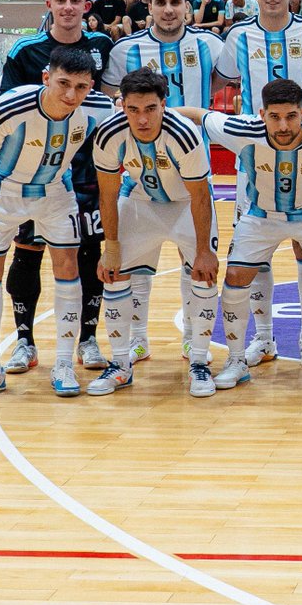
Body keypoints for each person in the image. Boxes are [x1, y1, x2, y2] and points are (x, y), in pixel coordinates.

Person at [177, 79, 302, 393]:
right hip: (261, 214)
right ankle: (236, 361)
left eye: (291, 116)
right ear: (262, 114)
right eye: (275, 116)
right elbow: (198, 114)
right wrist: (158, 111)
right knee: (234, 277)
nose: (283, 124)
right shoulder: (242, 130)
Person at [0, 46, 115, 401]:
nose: (70, 94)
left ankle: (63, 363)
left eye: (80, 87)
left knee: (68, 266)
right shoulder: (11, 106)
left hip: (55, 192)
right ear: (46, 78)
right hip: (4, 191)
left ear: (91, 86)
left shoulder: (98, 109)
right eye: (63, 83)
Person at [213, 0, 302, 364]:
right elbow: (222, 81)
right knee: (255, 251)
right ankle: (263, 339)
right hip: (256, 159)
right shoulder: (238, 36)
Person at [0, 0, 115, 376]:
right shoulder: (25, 51)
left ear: (87, 5)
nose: (68, 6)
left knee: (87, 256)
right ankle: (24, 342)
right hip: (36, 175)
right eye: (60, 0)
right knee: (27, 254)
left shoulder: (102, 47)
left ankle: (87, 338)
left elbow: (112, 108)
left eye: (75, 0)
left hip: (87, 175)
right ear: (49, 4)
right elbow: (9, 116)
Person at [91, 69, 218, 397]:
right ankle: (122, 362)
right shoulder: (109, 135)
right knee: (116, 273)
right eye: (132, 110)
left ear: (164, 104)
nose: (141, 118)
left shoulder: (184, 134)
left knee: (203, 274)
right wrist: (112, 245)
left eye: (150, 109)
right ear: (122, 106)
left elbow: (201, 195)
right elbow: (106, 193)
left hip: (186, 204)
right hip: (139, 202)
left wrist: (204, 249)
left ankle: (199, 360)